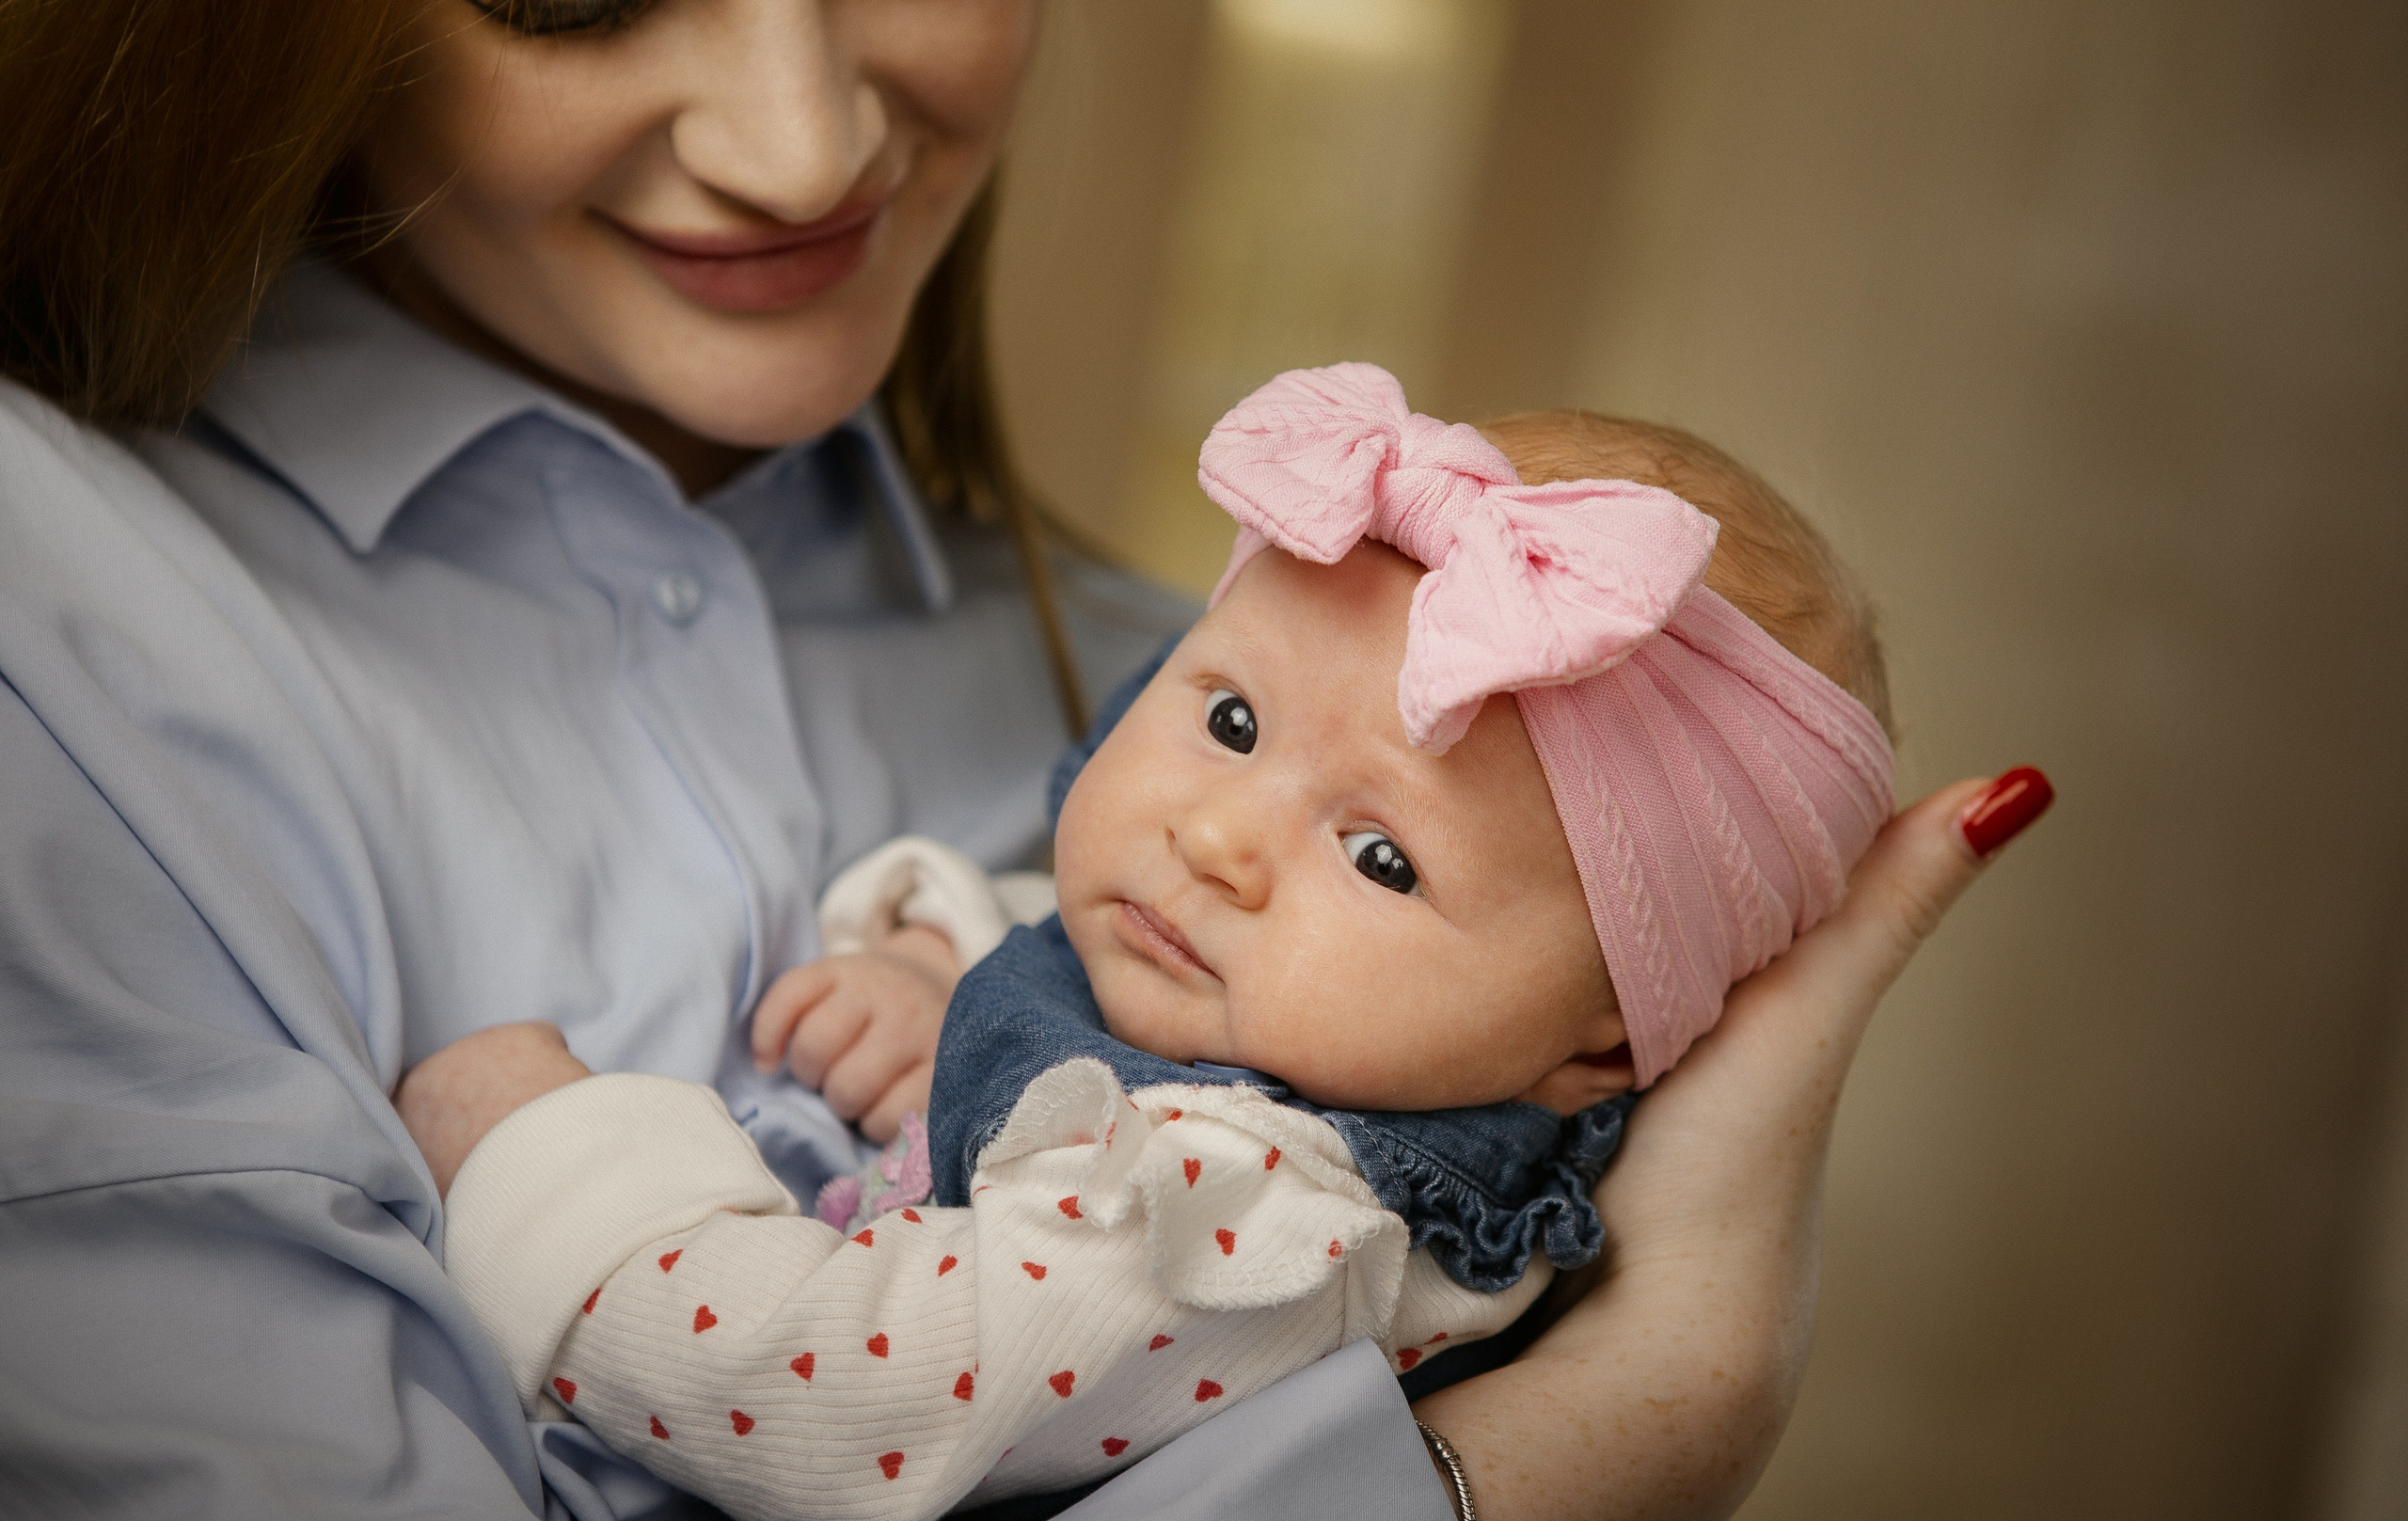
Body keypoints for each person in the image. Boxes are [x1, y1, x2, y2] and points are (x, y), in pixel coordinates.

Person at [0, 0, 2055, 1519]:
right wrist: (1616, 1435)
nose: (803, 142)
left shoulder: (1173, 756)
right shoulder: (67, 618)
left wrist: (550, 1154)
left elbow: (839, 1377)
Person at [394, 365, 1909, 1521]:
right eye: (1231, 720)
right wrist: (955, 984)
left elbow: (851, 1393)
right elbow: (1100, 1058)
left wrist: (552, 1166)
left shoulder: (1266, 1216)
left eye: (1381, 856)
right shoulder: (1234, 1035)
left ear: (1598, 1046)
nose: (1217, 840)